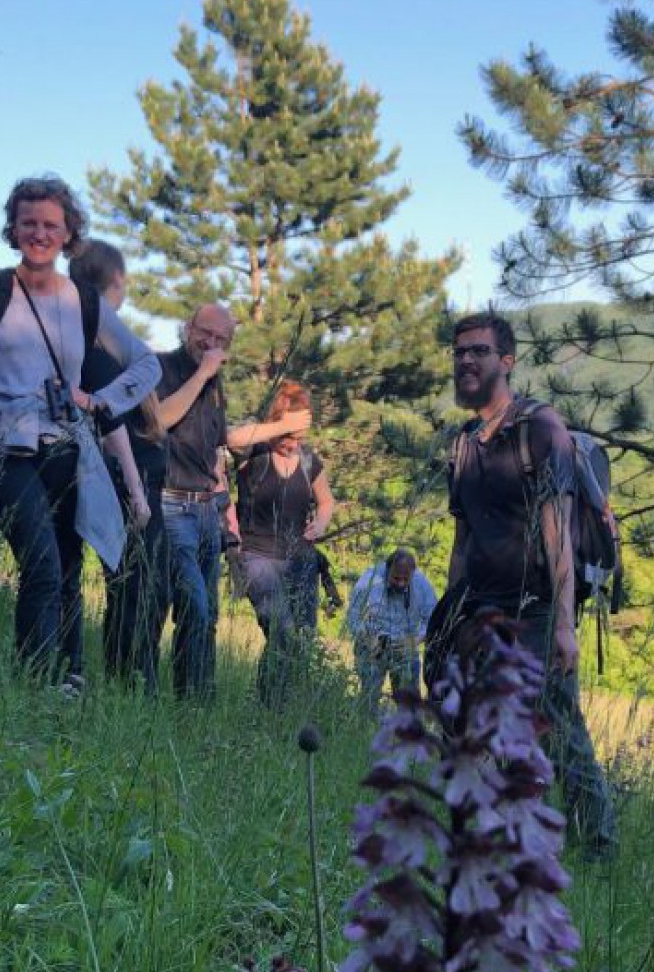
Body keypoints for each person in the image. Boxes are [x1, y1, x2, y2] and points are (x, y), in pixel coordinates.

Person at [0, 176, 161, 692]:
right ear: (14, 229)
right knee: (40, 560)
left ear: (68, 235)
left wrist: (99, 401)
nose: (39, 233)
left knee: (67, 564)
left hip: (66, 447)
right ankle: (34, 684)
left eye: (51, 225)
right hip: (2, 447)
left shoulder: (84, 302)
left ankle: (70, 678)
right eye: (29, 224)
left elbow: (146, 364)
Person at [430, 312, 617, 858]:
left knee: (555, 726)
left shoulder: (541, 429)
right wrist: (449, 611)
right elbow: (463, 538)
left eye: (479, 352)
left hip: (534, 610)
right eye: (460, 351)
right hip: (478, 609)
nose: (466, 360)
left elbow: (557, 533)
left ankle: (597, 847)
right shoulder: (465, 443)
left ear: (506, 361)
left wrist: (563, 625)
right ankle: (498, 838)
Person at [153, 304, 311, 699]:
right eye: (205, 333)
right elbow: (160, 420)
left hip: (208, 508)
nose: (211, 344)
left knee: (208, 616)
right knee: (191, 604)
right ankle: (155, 690)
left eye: (221, 340)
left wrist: (227, 520)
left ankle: (195, 703)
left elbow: (224, 442)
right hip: (171, 503)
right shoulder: (161, 367)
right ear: (188, 327)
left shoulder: (216, 384)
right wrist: (205, 371)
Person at [69, 240, 168, 691]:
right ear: (117, 281)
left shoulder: (75, 333)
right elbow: (112, 422)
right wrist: (134, 488)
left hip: (116, 470)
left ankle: (122, 671)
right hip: (122, 474)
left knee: (130, 585)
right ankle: (126, 675)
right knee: (132, 585)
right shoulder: (103, 348)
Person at [234, 381, 335, 707]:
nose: (293, 443)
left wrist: (319, 524)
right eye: (289, 435)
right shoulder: (256, 451)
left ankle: (278, 705)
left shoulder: (309, 461)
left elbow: (326, 503)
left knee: (301, 639)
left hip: (300, 559)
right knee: (282, 628)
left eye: (299, 436)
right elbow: (231, 437)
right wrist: (281, 427)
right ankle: (267, 704)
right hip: (257, 557)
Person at [344, 548, 436, 716]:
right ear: (387, 569)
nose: (400, 583)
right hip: (372, 646)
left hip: (405, 647)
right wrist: (367, 637)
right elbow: (352, 617)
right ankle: (366, 728)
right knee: (368, 700)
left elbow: (433, 620)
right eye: (395, 578)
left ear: (412, 574)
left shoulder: (422, 585)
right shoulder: (369, 580)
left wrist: (415, 640)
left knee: (410, 705)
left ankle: (408, 733)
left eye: (405, 579)